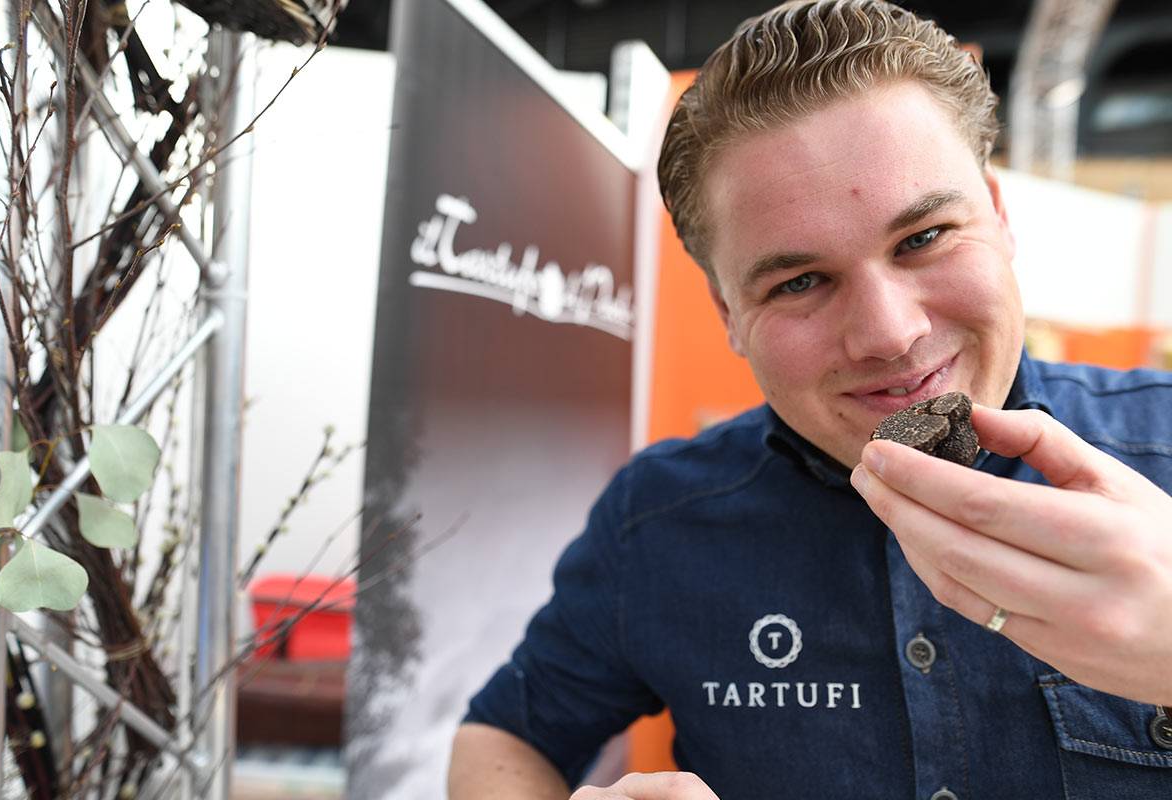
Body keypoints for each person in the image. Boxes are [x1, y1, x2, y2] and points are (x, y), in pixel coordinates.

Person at [448, 1, 1172, 797]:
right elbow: (503, 735)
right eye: (799, 282)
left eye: (924, 237)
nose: (890, 334)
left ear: (997, 218)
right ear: (728, 314)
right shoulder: (655, 519)